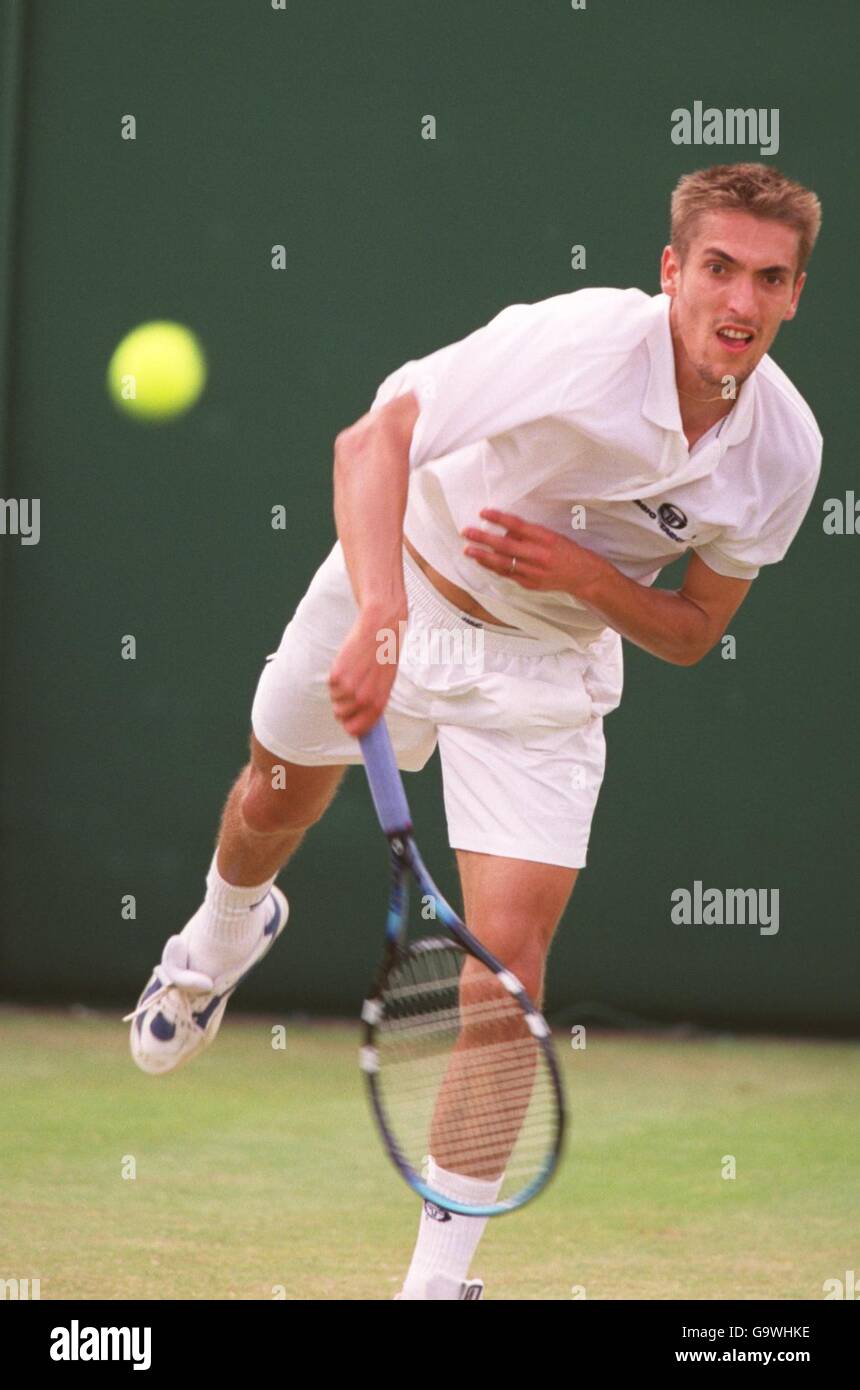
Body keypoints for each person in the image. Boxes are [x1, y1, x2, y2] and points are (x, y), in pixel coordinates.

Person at [125, 162, 822, 1300]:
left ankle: (435, 1285)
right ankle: (217, 936)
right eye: (715, 269)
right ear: (670, 272)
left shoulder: (783, 453)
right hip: (402, 575)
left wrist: (586, 577)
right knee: (272, 795)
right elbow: (372, 439)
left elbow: (694, 629)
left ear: (794, 294)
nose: (736, 303)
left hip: (543, 674)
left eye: (767, 278)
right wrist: (383, 612)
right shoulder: (578, 344)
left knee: (505, 977)